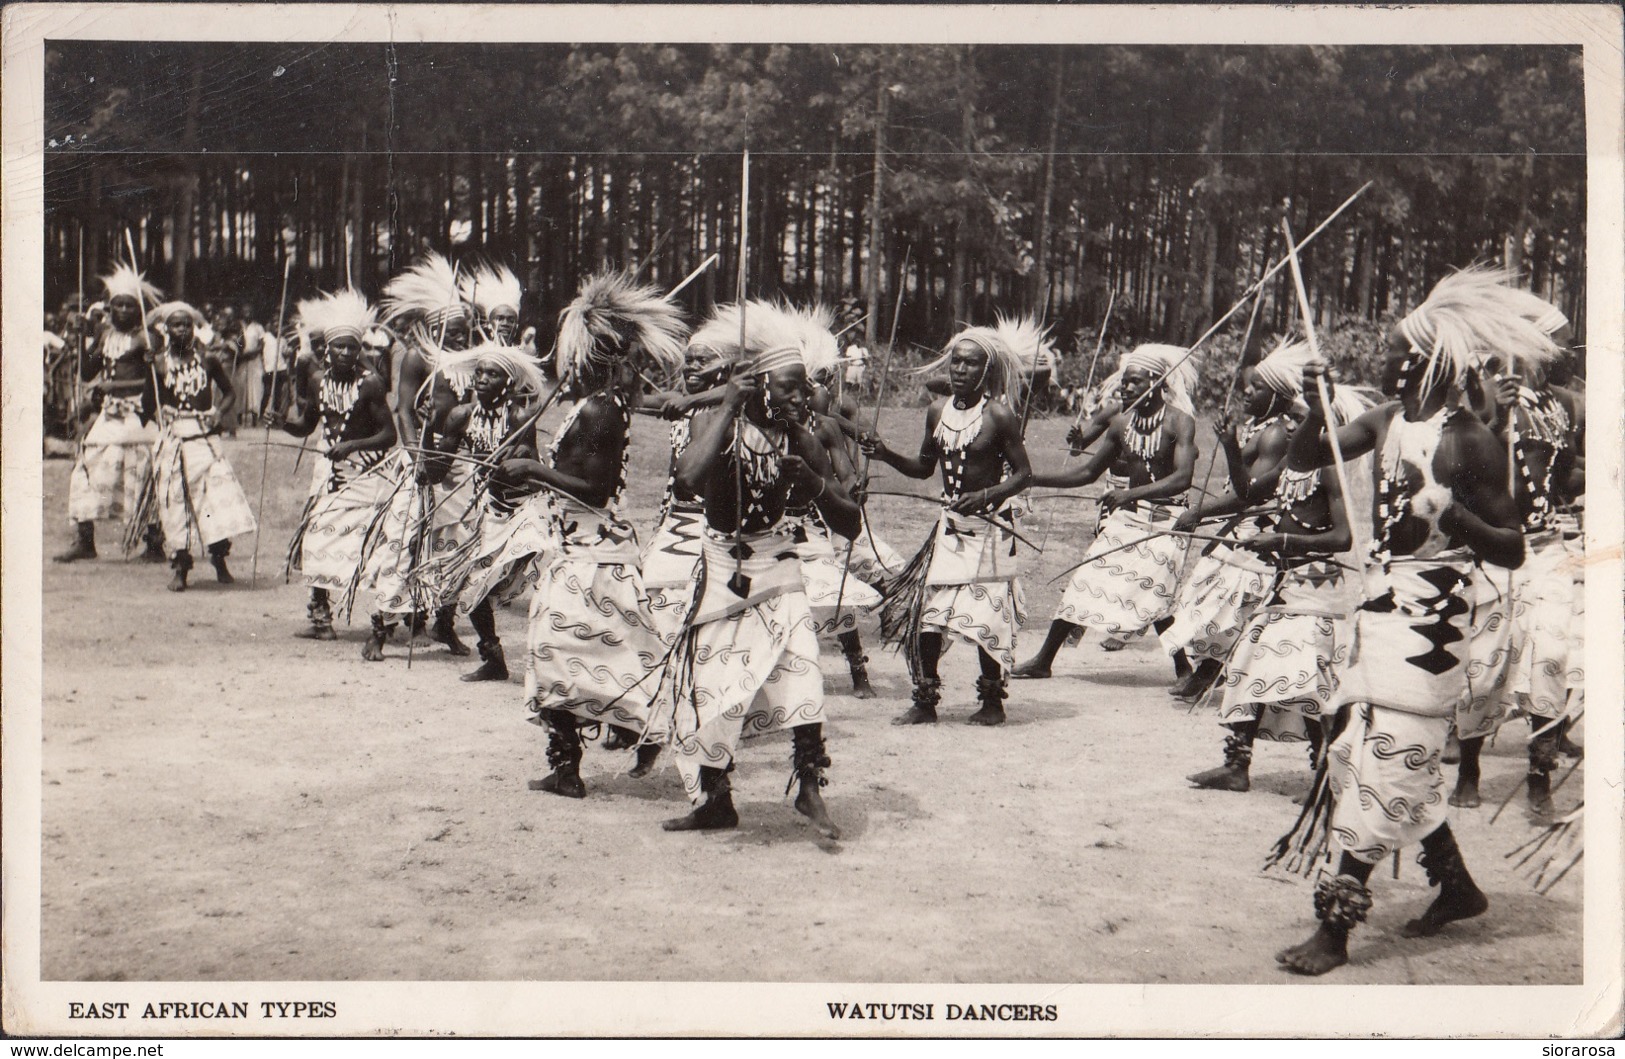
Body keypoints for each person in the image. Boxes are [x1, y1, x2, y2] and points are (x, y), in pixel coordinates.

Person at [1271, 266, 1533, 976]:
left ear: (1422, 362)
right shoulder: (1388, 420)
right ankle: (1454, 884)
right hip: (1377, 612)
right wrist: (1313, 403)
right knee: (1354, 752)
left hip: (1433, 630)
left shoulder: (1469, 440)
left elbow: (1511, 548)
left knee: (1386, 760)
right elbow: (1304, 456)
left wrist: (1451, 514)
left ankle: (1334, 927)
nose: (1381, 361)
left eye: (1391, 352)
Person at [659, 301, 859, 835]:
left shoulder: (803, 438)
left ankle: (810, 787)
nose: (800, 397)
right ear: (759, 387)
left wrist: (813, 482)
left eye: (803, 388)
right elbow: (686, 483)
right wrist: (726, 407)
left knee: (803, 672)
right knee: (713, 691)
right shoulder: (716, 421)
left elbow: (851, 524)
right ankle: (715, 800)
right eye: (789, 387)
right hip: (722, 564)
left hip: (779, 564)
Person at [501, 271, 687, 797]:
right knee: (583, 652)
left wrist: (536, 473)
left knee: (558, 652)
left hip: (594, 556)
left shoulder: (603, 410)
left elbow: (597, 489)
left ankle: (627, 734)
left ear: (590, 359)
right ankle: (576, 763)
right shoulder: (592, 407)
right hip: (582, 552)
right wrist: (530, 463)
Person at [1188, 340, 1369, 791]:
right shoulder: (1293, 466)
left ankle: (1326, 771)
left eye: (1300, 419)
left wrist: (1281, 539)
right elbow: (1249, 492)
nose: (1290, 427)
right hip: (1287, 587)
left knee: (1305, 684)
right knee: (1249, 668)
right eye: (1291, 420)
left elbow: (1343, 537)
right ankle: (1237, 766)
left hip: (1319, 590)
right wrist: (1231, 446)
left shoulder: (1330, 470)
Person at [860, 318, 1036, 726]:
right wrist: (885, 453)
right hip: (951, 531)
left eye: (971, 364)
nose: (960, 370)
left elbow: (1024, 474)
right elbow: (923, 468)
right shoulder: (937, 411)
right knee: (929, 616)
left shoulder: (999, 415)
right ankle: (925, 701)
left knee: (987, 617)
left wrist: (988, 495)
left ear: (987, 370)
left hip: (992, 531)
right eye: (956, 362)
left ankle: (993, 701)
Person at [1449, 277, 1581, 814]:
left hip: (1549, 548)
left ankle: (1538, 777)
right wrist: (1492, 419)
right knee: (1486, 663)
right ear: (1536, 350)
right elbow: (1462, 460)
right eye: (1562, 346)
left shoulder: (1562, 407)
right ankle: (1471, 768)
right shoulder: (1487, 395)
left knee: (1549, 654)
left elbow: (1565, 473)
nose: (1569, 355)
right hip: (1500, 549)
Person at [1011, 344, 1198, 679]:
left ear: (1156, 382)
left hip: (1166, 519)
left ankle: (1183, 668)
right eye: (1125, 382)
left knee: (1152, 588)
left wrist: (1130, 493)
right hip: (1128, 517)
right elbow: (1086, 473)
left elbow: (1183, 479)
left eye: (1134, 382)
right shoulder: (1122, 423)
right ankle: (1043, 660)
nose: (1125, 387)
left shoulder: (1179, 422)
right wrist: (1033, 478)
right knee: (1084, 580)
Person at [1162, 339, 1310, 704]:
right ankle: (1212, 668)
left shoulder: (1275, 434)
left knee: (1228, 600)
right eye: (1249, 384)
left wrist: (1200, 511)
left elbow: (1251, 495)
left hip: (1258, 531)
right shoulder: (1258, 427)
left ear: (1276, 396)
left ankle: (1213, 671)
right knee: (1209, 593)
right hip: (1241, 528)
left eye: (1257, 388)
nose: (1247, 392)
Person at [416, 343, 552, 683]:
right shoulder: (461, 416)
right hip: (488, 514)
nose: (482, 379)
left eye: (492, 374)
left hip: (522, 511)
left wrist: (520, 458)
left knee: (532, 566)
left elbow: (532, 473)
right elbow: (436, 472)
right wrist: (427, 439)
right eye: (479, 372)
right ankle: (493, 658)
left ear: (508, 381)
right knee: (473, 588)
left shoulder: (519, 418)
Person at [376, 252, 480, 658]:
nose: (458, 337)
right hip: (420, 456)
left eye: (463, 330)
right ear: (434, 326)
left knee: (458, 541)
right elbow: (402, 408)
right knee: (405, 539)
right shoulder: (418, 358)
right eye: (450, 330)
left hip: (459, 462)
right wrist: (417, 454)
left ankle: (444, 622)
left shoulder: (473, 360)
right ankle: (382, 625)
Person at [283, 290, 399, 640]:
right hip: (332, 476)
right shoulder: (319, 381)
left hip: (366, 474)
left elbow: (388, 435)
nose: (347, 353)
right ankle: (321, 617)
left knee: (373, 546)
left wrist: (352, 445)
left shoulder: (371, 384)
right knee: (318, 539)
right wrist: (283, 424)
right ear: (327, 350)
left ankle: (386, 619)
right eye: (340, 347)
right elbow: (307, 425)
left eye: (353, 347)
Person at [141, 302, 258, 591]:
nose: (182, 330)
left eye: (187, 325)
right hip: (174, 440)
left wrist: (218, 412)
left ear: (194, 329)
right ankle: (181, 565)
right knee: (175, 503)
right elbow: (146, 404)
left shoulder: (208, 359)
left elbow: (230, 393)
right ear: (166, 330)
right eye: (176, 325)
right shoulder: (157, 363)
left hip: (204, 439)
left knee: (213, 501)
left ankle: (219, 559)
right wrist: (158, 412)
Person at [55, 262, 166, 564]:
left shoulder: (148, 337)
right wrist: (82, 338)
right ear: (110, 307)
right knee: (84, 471)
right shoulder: (104, 335)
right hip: (109, 416)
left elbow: (156, 380)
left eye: (129, 306)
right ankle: (85, 541)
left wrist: (114, 383)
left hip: (138, 414)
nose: (122, 311)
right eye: (117, 305)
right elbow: (88, 371)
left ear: (139, 308)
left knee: (145, 475)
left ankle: (155, 542)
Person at [461, 262, 524, 345]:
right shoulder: (478, 354)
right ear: (488, 323)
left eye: (511, 320)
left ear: (516, 326)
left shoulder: (523, 354)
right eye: (499, 319)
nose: (505, 324)